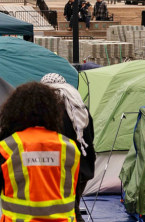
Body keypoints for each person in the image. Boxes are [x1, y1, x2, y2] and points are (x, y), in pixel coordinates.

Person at [0, 82, 80, 222]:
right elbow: (73, 187)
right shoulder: (70, 148)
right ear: (53, 111)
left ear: (14, 111)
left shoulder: (7, 147)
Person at [41, 73, 95, 218]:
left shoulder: (51, 113)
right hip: (83, 168)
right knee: (72, 209)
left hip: (63, 171)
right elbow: (90, 137)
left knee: (68, 212)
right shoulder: (81, 109)